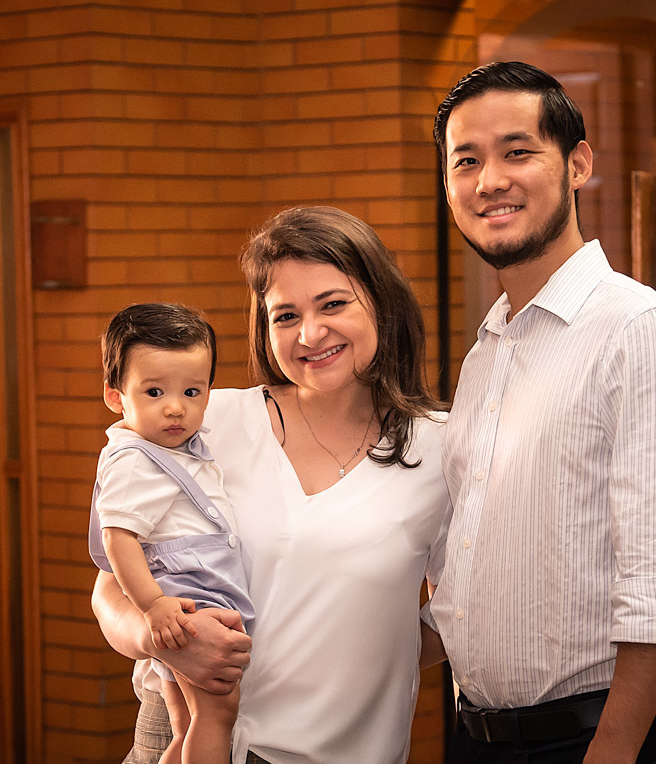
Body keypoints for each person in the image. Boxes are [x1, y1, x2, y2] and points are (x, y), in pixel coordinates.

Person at [427, 61, 656, 763]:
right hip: (477, 736)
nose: (490, 179)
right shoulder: (487, 350)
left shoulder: (637, 329)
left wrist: (609, 754)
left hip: (598, 742)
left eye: (517, 151)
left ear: (578, 163)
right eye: (466, 160)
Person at [92, 206, 451, 764]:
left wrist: (360, 655)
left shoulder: (441, 449)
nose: (310, 333)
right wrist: (166, 641)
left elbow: (462, 616)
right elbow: (110, 586)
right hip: (178, 737)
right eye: (285, 316)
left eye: (333, 304)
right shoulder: (204, 422)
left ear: (381, 302)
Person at [90, 303, 256, 764]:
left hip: (185, 597)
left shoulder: (173, 448)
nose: (175, 407)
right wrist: (153, 605)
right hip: (187, 599)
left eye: (192, 391)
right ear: (115, 396)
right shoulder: (134, 459)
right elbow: (117, 539)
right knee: (216, 717)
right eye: (154, 391)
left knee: (184, 725)